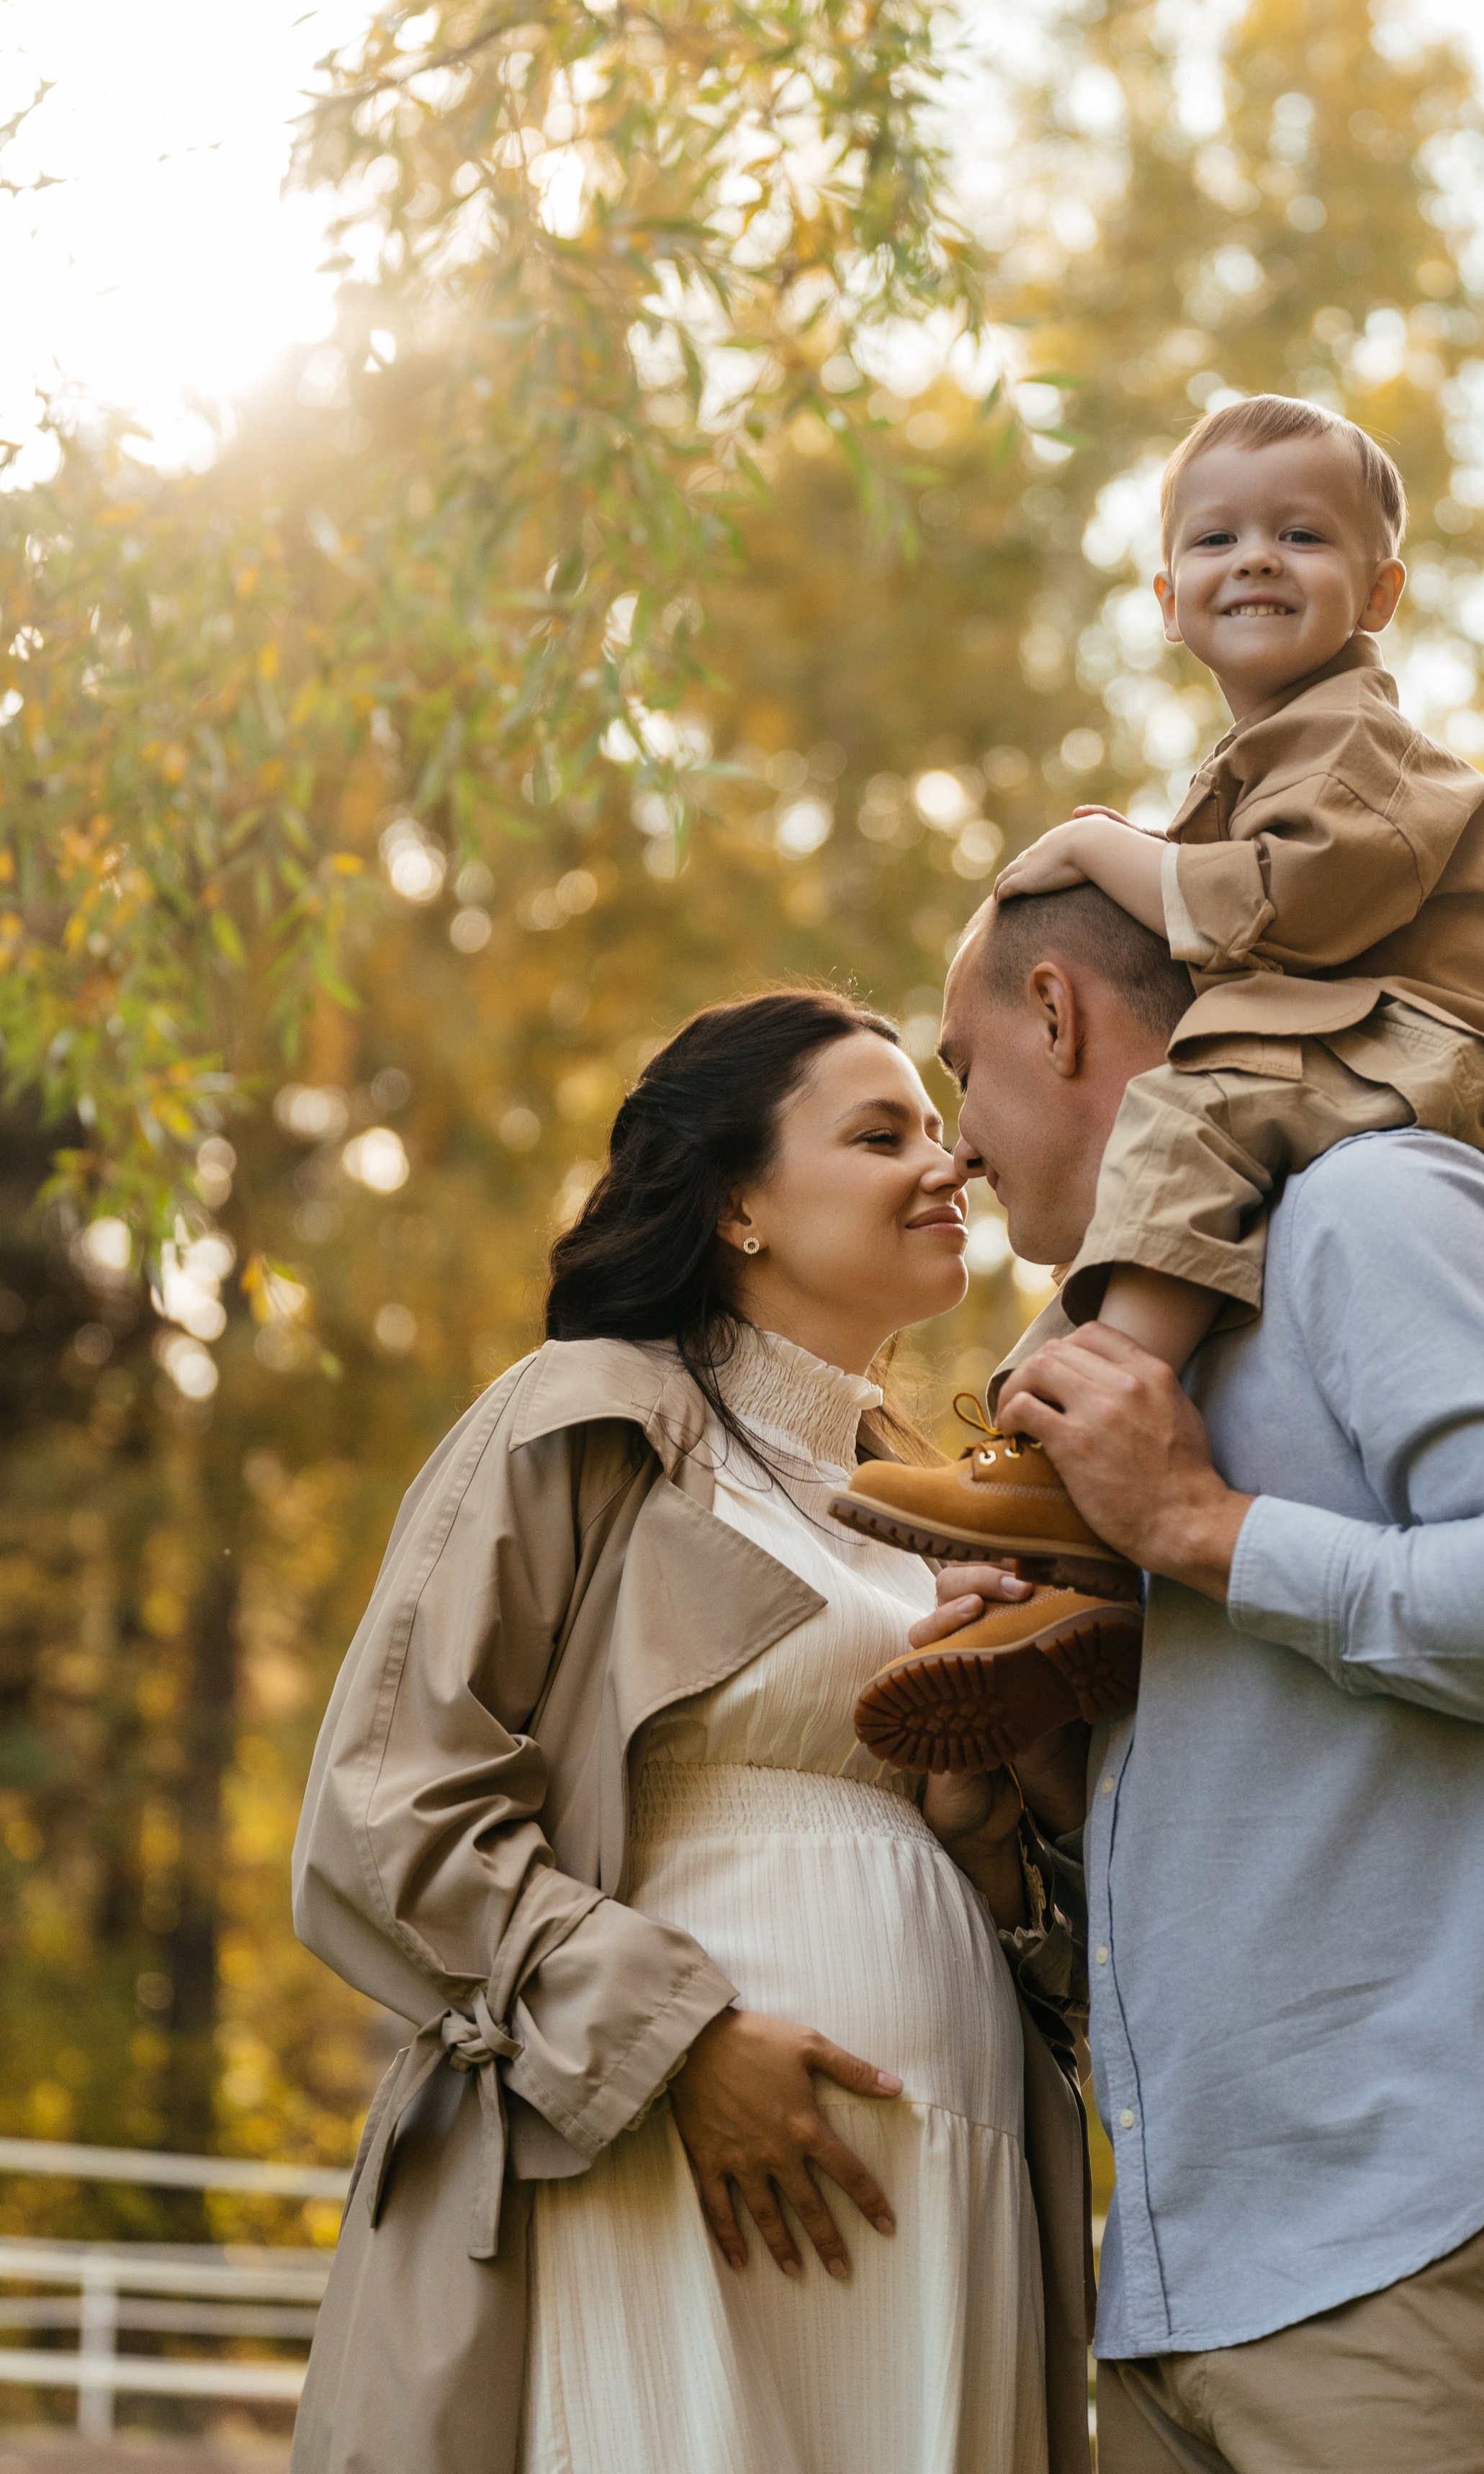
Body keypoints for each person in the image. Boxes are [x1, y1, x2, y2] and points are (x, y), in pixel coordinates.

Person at [915, 883, 1484, 2473]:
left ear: (1058, 1013)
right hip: (1178, 2297)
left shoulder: (1376, 1208)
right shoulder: (1123, 1374)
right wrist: (1022, 1775)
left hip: (1437, 2244)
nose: (951, 1147)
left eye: (958, 1069)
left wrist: (1207, 1531)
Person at [287, 990, 1093, 2474]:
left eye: (936, 1126)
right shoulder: (583, 1420)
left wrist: (979, 1812)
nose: (946, 1163)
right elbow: (383, 1812)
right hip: (667, 2158)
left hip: (947, 2178)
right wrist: (678, 2044)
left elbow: (1039, 1921)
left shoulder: (936, 1512)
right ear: (736, 1206)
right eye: (877, 1134)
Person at [839, 395, 1484, 1596]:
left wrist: (1114, 852)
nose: (1258, 558)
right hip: (1352, 1037)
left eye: (1303, 536)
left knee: (1190, 1109)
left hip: (1432, 1041)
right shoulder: (1262, 758)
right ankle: (1046, 1513)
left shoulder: (1358, 739)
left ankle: (1096, 1423)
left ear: (1380, 595)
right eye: (1216, 539)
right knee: (1170, 1190)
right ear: (1168, 602)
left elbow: (1303, 900)